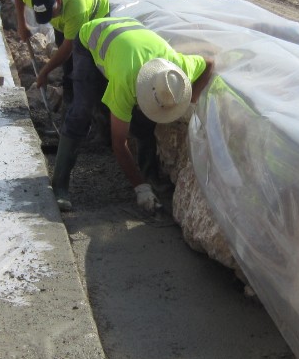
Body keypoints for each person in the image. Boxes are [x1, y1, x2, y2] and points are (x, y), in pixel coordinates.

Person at [57, 15, 214, 214]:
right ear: (140, 91)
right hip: (92, 37)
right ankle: (60, 185)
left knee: (144, 122)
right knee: (83, 109)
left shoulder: (177, 69)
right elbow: (119, 143)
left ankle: (150, 175)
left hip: (130, 33)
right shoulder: (125, 81)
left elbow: (209, 63)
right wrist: (140, 188)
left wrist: (191, 100)